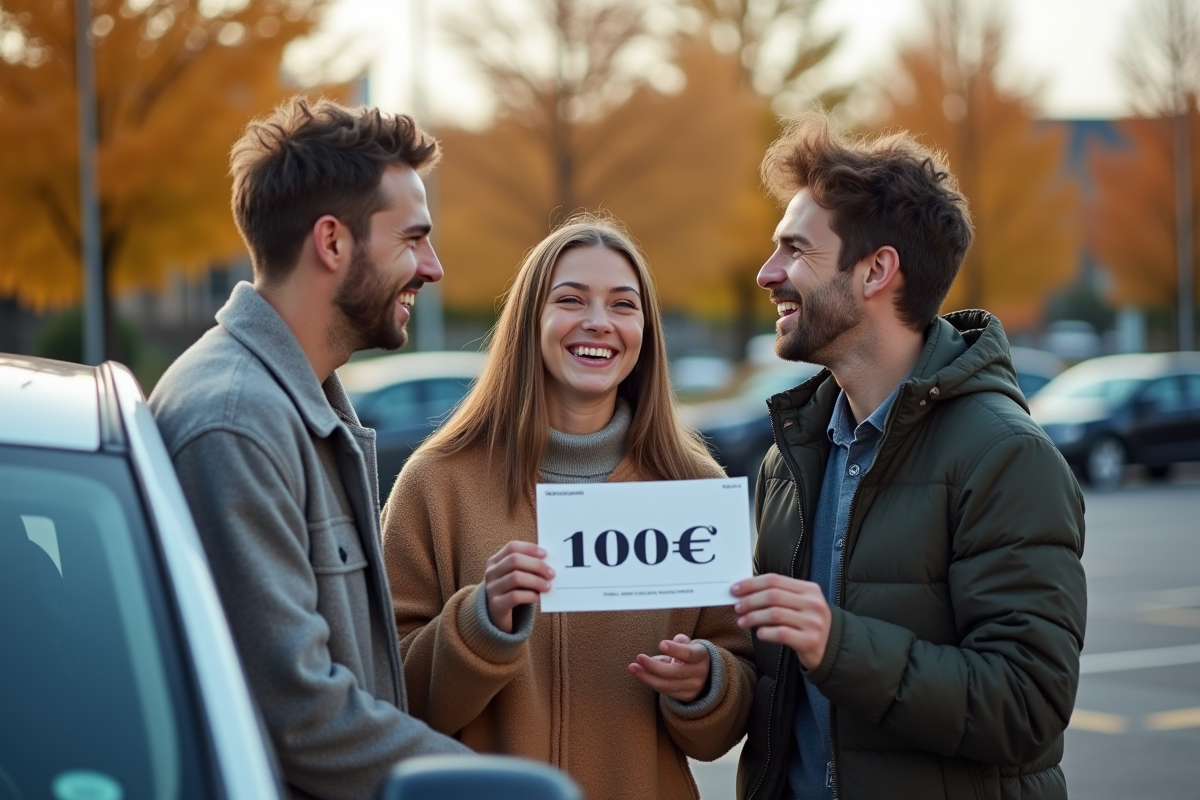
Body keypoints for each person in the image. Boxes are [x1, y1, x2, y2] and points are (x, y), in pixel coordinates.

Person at [730, 112, 1087, 800]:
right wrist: (710, 682)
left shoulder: (1006, 457)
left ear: (876, 271)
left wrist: (838, 645)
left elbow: (1027, 707)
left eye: (795, 250)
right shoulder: (789, 459)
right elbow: (778, 686)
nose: (766, 272)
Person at [150, 97, 471, 800]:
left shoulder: (290, 403)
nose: (433, 267)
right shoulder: (236, 422)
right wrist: (480, 783)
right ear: (332, 243)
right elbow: (300, 715)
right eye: (414, 238)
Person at [380, 215, 756, 800]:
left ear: (646, 332)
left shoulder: (694, 490)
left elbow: (726, 724)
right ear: (531, 320)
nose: (599, 323)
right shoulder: (436, 483)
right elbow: (393, 698)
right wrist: (480, 622)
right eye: (571, 299)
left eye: (623, 305)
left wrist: (706, 683)